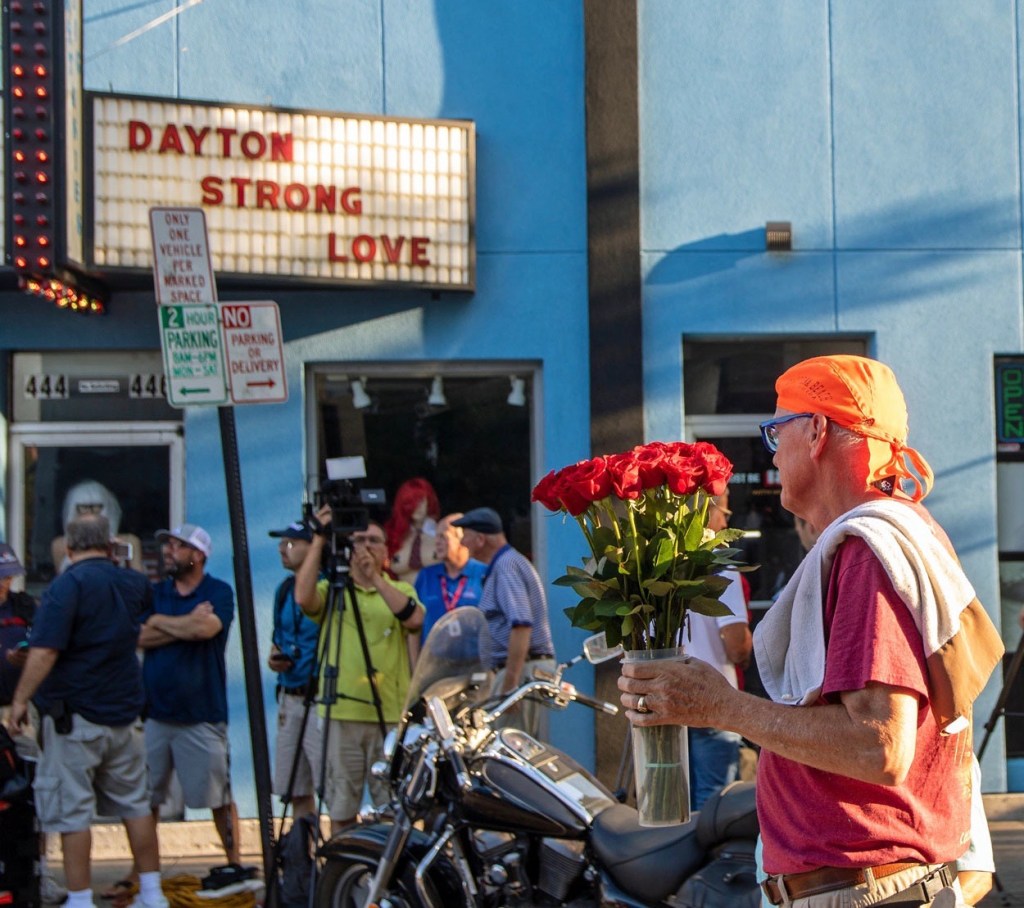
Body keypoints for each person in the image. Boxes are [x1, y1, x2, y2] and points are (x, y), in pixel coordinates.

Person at [620, 354, 1003, 907]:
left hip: (862, 892)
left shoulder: (869, 551)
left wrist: (720, 706)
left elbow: (879, 748)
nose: (774, 451)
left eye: (778, 430)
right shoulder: (892, 535)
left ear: (818, 430)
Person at [6, 515, 169, 908]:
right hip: (125, 714)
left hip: (75, 717)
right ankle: (152, 893)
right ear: (111, 546)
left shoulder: (67, 586)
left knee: (72, 814)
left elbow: (45, 651)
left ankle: (79, 900)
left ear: (69, 547)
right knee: (136, 807)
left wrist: (20, 699)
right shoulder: (134, 583)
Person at [293, 506, 424, 833]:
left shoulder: (401, 590)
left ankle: (391, 879)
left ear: (386, 550)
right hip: (342, 714)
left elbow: (414, 618)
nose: (366, 547)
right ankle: (346, 879)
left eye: (374, 541)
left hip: (389, 716)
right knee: (341, 807)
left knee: (392, 807)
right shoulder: (333, 590)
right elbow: (303, 597)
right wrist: (320, 539)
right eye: (359, 540)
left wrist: (375, 578)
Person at [137, 524, 240, 868]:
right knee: (143, 800)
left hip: (202, 714)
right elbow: (138, 637)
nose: (168, 552)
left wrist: (160, 623)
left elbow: (206, 628)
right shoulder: (155, 593)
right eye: (167, 546)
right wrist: (183, 624)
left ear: (198, 555)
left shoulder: (219, 592)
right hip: (154, 714)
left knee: (218, 798)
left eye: (177, 547)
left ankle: (234, 864)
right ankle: (143, 876)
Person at [0, 542, 67, 905]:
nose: (3, 585)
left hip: (20, 714)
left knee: (33, 797)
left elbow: (48, 650)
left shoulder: (25, 607)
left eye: (7, 577)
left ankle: (37, 873)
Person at [453, 507, 555, 739]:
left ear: (480, 539)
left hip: (521, 672)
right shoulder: (506, 563)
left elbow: (521, 625)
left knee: (511, 745)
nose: (462, 544)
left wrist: (510, 683)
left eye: (465, 536)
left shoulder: (506, 566)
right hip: (520, 671)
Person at [681, 490, 752, 809]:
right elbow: (736, 643)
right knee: (713, 805)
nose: (725, 520)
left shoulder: (656, 567)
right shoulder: (721, 569)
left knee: (677, 802)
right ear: (704, 515)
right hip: (712, 697)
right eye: (723, 512)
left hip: (668, 699)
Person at [267, 516, 323, 821]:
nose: (281, 549)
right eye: (281, 542)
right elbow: (278, 639)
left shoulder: (326, 588)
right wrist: (275, 658)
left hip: (317, 697)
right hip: (289, 694)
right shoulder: (284, 589)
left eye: (290, 543)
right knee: (295, 788)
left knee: (326, 785)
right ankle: (303, 855)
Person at [413, 512, 488, 643]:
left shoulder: (485, 574)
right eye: (436, 537)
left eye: (443, 537)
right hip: (435, 660)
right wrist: (415, 663)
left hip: (476, 660)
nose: (437, 542)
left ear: (462, 539)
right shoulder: (426, 576)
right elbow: (414, 626)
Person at [51, 479, 145, 574]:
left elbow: (138, 581)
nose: (90, 514)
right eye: (83, 508)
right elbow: (62, 580)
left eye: (96, 508)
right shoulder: (61, 545)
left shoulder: (128, 541)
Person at [384, 478, 441, 585]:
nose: (417, 507)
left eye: (421, 501)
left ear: (429, 501)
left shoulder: (444, 535)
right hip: (400, 598)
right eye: (410, 502)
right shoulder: (393, 537)